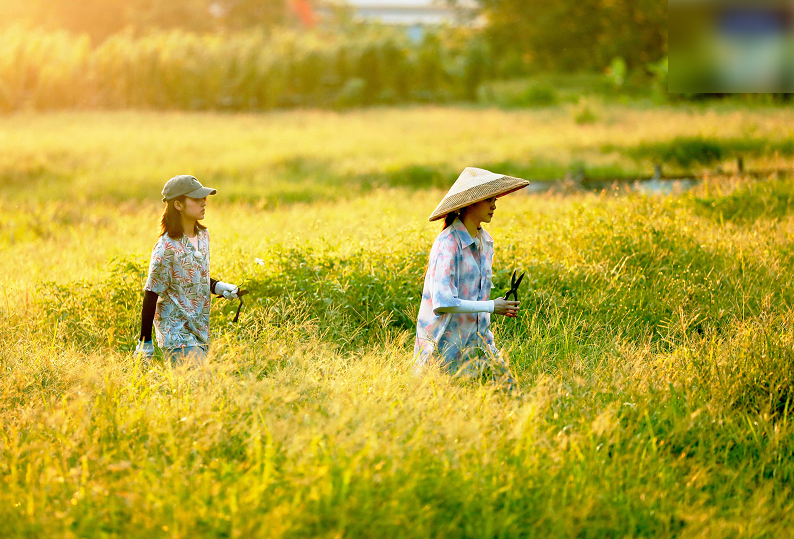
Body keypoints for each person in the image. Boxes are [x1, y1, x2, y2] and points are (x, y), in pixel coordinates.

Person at [414, 167, 529, 389]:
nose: (494, 205)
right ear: (471, 203)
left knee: (511, 395)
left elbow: (477, 296)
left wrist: (497, 306)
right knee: (443, 408)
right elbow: (444, 302)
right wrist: (492, 306)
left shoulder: (486, 241)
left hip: (480, 343)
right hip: (443, 346)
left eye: (495, 199)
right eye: (488, 199)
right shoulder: (447, 243)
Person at [133, 175, 240, 366]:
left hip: (200, 330)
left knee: (193, 393)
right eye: (196, 199)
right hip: (176, 332)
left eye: (204, 198)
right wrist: (144, 341)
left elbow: (194, 276)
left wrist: (218, 287)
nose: (203, 203)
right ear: (178, 205)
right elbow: (152, 292)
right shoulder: (166, 247)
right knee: (202, 383)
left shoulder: (203, 236)